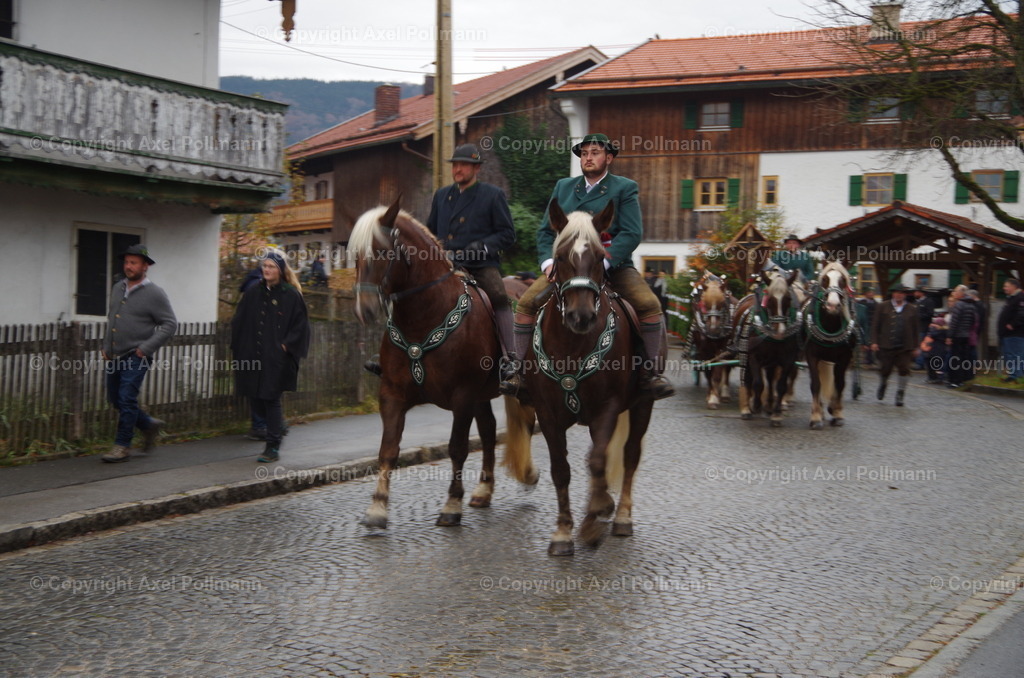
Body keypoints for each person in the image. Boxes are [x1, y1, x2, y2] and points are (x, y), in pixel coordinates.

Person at [500, 132, 674, 400]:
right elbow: (546, 232)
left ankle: (651, 374)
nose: (588, 158)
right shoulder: (564, 187)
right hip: (567, 267)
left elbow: (631, 233)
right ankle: (519, 372)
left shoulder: (624, 187)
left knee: (649, 305)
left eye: (594, 153)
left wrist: (605, 260)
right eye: (584, 153)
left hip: (612, 265)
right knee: (525, 305)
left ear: (609, 158)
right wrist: (548, 262)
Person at [363, 143, 517, 377]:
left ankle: (510, 357)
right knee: (406, 294)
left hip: (479, 264)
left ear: (476, 168)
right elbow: (430, 233)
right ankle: (390, 356)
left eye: (464, 165)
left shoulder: (492, 195)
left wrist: (482, 246)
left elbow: (507, 234)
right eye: (455, 165)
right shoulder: (442, 196)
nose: (458, 169)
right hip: (445, 264)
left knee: (497, 295)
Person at [231, 249, 311, 463]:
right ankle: (278, 425)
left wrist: (285, 346)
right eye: (264, 266)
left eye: (271, 266)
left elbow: (301, 326)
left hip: (275, 358)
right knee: (254, 396)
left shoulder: (290, 294)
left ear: (280, 270)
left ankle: (272, 446)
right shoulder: (253, 292)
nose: (266, 270)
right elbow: (239, 320)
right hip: (251, 355)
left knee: (270, 397)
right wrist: (238, 346)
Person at [100, 244, 177, 463]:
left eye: (134, 263)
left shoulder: (155, 293)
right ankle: (148, 424)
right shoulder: (118, 288)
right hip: (116, 355)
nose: (129, 266)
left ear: (145, 266)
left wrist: (145, 349)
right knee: (115, 399)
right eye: (126, 262)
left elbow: (169, 324)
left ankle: (122, 446)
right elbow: (112, 318)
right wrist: (107, 347)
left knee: (126, 398)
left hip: (137, 356)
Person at [870, 283, 919, 406]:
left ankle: (900, 393)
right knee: (885, 369)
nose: (899, 295)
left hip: (905, 346)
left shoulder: (912, 309)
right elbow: (875, 325)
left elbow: (916, 329)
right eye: (897, 293)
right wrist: (874, 341)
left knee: (904, 369)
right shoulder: (883, 306)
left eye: (901, 293)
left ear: (905, 295)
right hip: (886, 345)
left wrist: (916, 346)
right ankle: (883, 383)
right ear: (893, 294)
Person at [945, 286, 980, 388]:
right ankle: (961, 380)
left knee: (955, 359)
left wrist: (949, 336)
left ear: (961, 293)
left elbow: (954, 322)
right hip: (966, 335)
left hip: (957, 335)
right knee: (963, 358)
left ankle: (954, 381)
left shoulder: (959, 304)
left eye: (956, 291)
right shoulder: (971, 305)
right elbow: (973, 321)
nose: (954, 293)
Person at [997, 277, 1024, 383]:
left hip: (1015, 333)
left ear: (1014, 286)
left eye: (1006, 286)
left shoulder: (1020, 297)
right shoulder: (1012, 298)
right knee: (1010, 354)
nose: (1004, 288)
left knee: (1015, 355)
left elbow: (1022, 314)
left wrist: (1012, 324)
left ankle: (1016, 376)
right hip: (1008, 334)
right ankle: (1014, 375)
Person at [913, 288, 936, 369]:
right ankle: (918, 361)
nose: (915, 294)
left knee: (922, 345)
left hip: (924, 328)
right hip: (917, 328)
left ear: (921, 293)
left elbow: (930, 314)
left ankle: (920, 363)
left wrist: (919, 316)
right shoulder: (917, 302)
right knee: (917, 345)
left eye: (916, 292)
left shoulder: (928, 301)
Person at [857, 286, 878, 366]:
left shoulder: (876, 304)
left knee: (871, 342)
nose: (871, 294)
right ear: (865, 294)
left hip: (872, 325)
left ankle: (870, 359)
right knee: (864, 341)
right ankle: (865, 358)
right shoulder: (861, 303)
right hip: (864, 325)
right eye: (869, 292)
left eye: (872, 292)